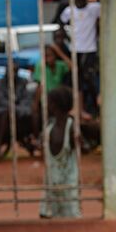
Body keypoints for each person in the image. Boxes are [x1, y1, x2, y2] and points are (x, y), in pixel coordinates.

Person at [39, 86, 81, 219]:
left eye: (50, 102)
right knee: (49, 215)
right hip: (52, 181)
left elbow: (79, 146)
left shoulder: (71, 127)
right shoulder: (49, 127)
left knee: (70, 216)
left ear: (56, 105)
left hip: (68, 182)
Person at [59, 0, 101, 117]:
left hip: (90, 48)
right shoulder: (69, 10)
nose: (80, 1)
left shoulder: (94, 8)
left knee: (90, 78)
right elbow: (60, 22)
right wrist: (67, 38)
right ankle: (79, 108)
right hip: (76, 49)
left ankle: (95, 105)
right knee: (77, 80)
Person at [0, 63, 35, 158]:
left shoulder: (23, 82)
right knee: (5, 114)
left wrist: (18, 108)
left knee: (32, 114)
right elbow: (1, 100)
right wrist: (12, 107)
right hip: (5, 108)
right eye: (10, 71)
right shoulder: (0, 83)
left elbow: (26, 98)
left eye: (15, 71)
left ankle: (35, 140)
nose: (12, 73)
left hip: (21, 109)